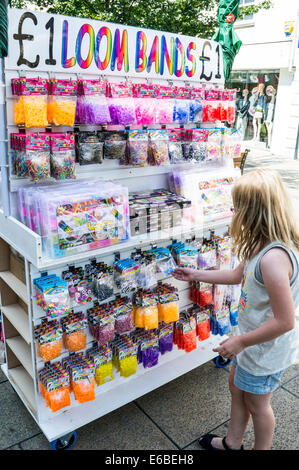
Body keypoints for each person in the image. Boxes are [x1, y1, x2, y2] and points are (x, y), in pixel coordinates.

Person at [173, 169, 299, 450]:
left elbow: (286, 321)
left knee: (257, 404)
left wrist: (241, 342)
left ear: (253, 211)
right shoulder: (258, 244)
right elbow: (235, 276)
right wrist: (195, 275)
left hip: (264, 349)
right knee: (236, 388)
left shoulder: (273, 260)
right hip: (250, 341)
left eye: (237, 205)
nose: (232, 210)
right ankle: (233, 442)